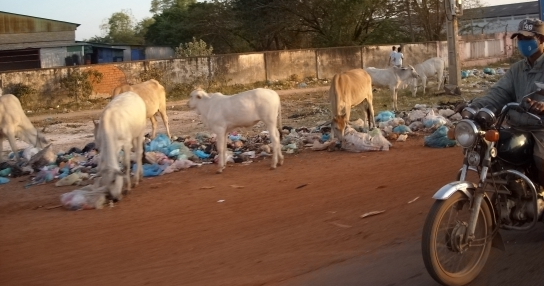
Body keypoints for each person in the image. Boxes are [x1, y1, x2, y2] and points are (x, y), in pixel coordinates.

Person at [457, 18, 544, 184]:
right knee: (492, 152)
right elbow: (499, 93)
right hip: (517, 127)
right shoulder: (517, 69)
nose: (522, 43)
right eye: (520, 39)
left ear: (541, 39)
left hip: (541, 128)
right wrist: (474, 107)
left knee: (542, 160)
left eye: (527, 39)